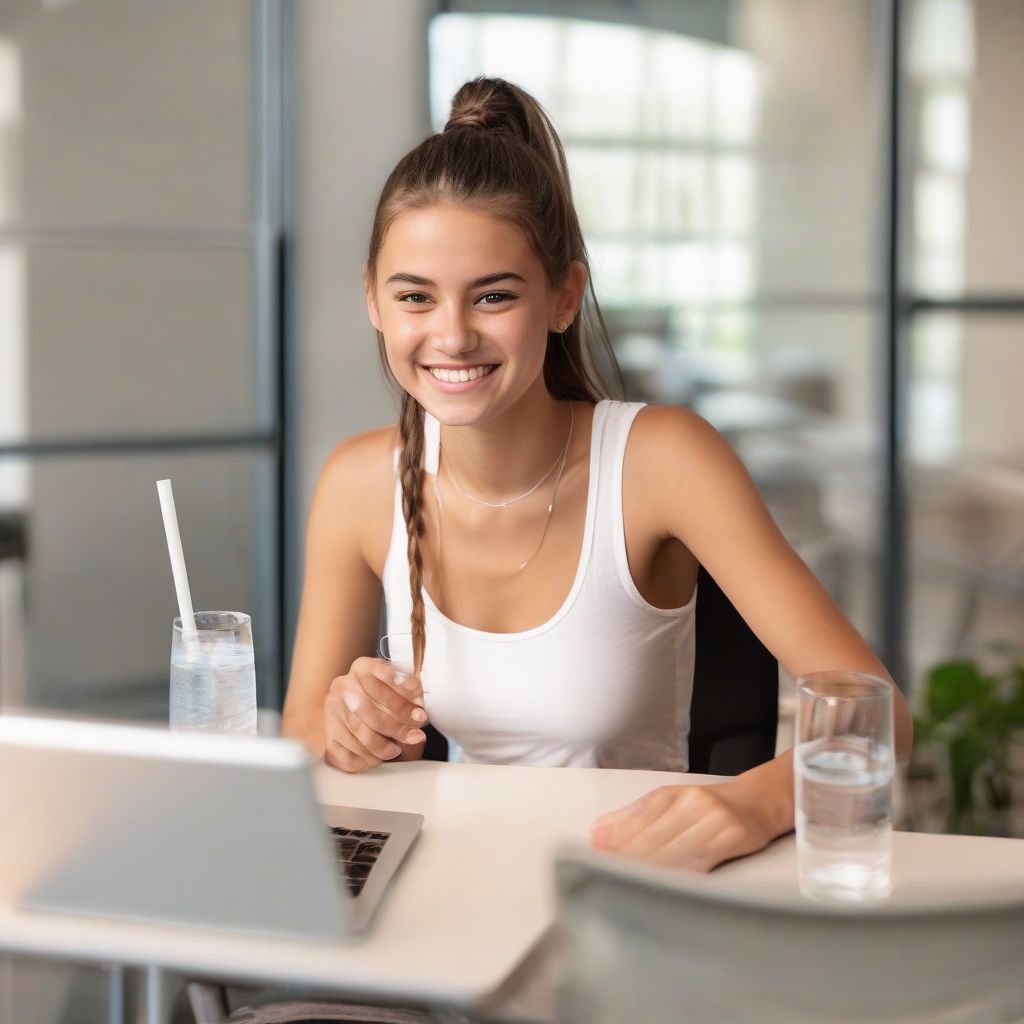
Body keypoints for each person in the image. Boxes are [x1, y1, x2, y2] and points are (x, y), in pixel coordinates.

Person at [281, 76, 913, 874]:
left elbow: (877, 717)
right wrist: (340, 725)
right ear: (373, 299)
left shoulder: (664, 460)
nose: (451, 335)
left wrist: (750, 804)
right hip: (446, 885)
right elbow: (302, 723)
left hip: (628, 897)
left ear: (563, 296)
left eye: (494, 296)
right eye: (416, 296)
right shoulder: (357, 483)